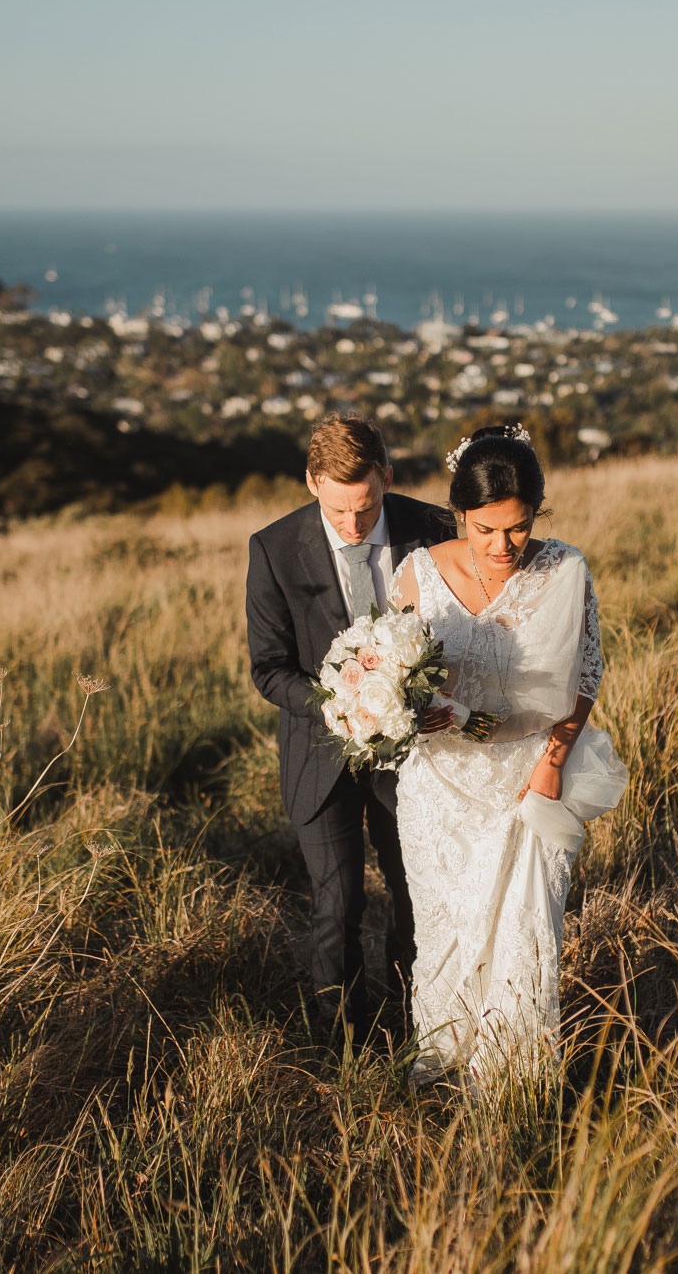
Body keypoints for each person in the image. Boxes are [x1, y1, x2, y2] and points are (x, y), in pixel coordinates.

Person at [387, 424, 627, 1081]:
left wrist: (552, 762)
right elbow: (392, 672)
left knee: (526, 936)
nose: (502, 546)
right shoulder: (415, 574)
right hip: (440, 788)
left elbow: (584, 675)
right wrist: (405, 710)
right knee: (443, 936)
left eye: (517, 528)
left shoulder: (565, 569)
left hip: (529, 782)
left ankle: (511, 1087)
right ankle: (439, 1072)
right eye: (485, 528)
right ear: (459, 515)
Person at [246, 415, 456, 1043]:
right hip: (320, 756)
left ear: (386, 478)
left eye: (365, 508)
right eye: (338, 511)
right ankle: (342, 1051)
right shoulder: (274, 548)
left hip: (416, 756)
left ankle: (420, 1028)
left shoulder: (433, 529)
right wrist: (341, 702)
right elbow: (268, 669)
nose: (352, 525)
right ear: (312, 483)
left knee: (415, 894)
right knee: (337, 905)